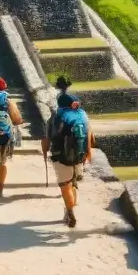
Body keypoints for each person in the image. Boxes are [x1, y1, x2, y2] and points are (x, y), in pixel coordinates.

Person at [42, 74, 94, 228]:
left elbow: (46, 138)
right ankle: (69, 210)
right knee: (73, 184)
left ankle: (70, 212)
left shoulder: (55, 117)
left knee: (65, 186)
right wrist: (88, 153)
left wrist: (45, 153)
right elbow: (89, 135)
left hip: (61, 156)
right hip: (80, 156)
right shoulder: (83, 116)